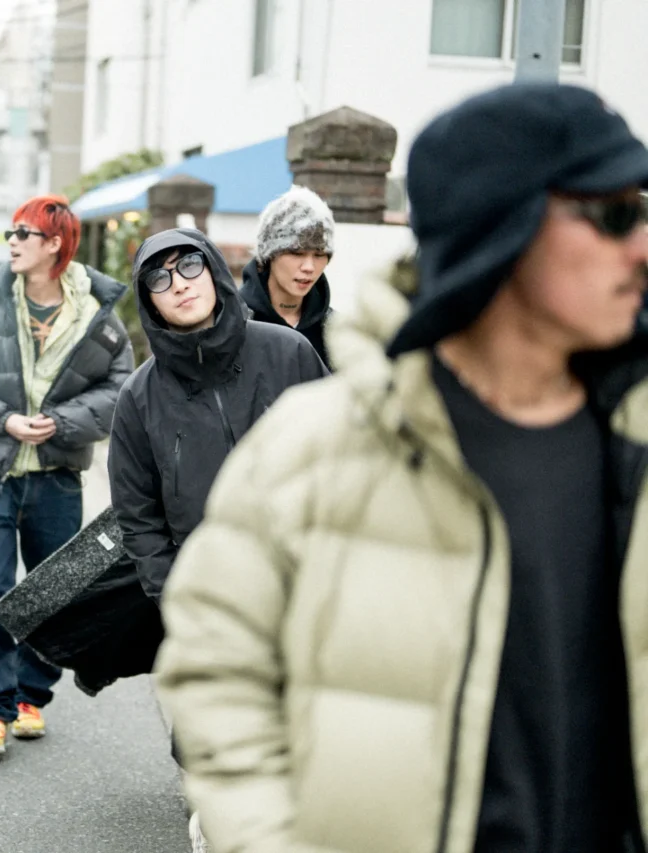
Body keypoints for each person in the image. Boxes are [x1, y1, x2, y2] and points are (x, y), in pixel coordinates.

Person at [156, 83, 648, 852]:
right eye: (615, 216)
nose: (642, 246)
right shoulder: (314, 449)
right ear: (500, 227)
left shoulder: (635, 442)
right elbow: (215, 674)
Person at [0, 194, 133, 758]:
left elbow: (121, 387)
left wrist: (62, 423)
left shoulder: (96, 314)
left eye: (25, 233)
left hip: (58, 476)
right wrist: (2, 420)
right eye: (12, 232)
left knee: (52, 592)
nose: (13, 242)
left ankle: (30, 696)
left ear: (55, 244)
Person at [109, 227, 326, 604]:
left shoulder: (289, 352)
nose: (179, 285)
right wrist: (175, 596)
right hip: (211, 597)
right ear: (149, 302)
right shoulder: (139, 397)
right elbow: (137, 517)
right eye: (159, 279)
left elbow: (343, 456)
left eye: (190, 265)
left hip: (306, 578)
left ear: (214, 272)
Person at [239, 186, 336, 367]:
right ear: (269, 255)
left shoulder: (336, 333)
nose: (309, 267)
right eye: (297, 253)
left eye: (319, 254)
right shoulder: (233, 324)